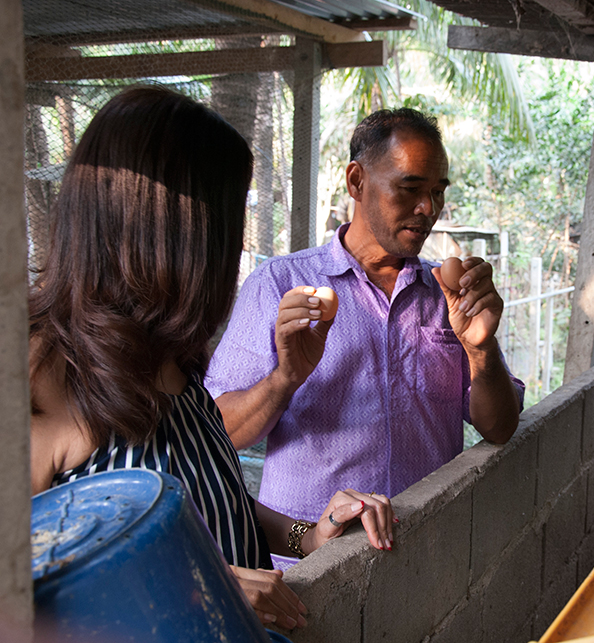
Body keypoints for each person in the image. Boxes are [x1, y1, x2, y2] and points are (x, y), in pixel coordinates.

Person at [28, 86, 393, 632]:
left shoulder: (171, 356)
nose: (235, 242)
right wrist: (191, 587)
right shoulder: (44, 370)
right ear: (168, 230)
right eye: (228, 218)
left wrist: (309, 534)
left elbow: (220, 505)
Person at [205, 108, 524, 567]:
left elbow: (500, 427)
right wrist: (284, 379)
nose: (428, 210)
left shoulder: (447, 295)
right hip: (312, 563)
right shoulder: (280, 285)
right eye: (410, 189)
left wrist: (480, 348)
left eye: (436, 193)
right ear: (357, 181)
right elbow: (223, 432)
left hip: (425, 554)